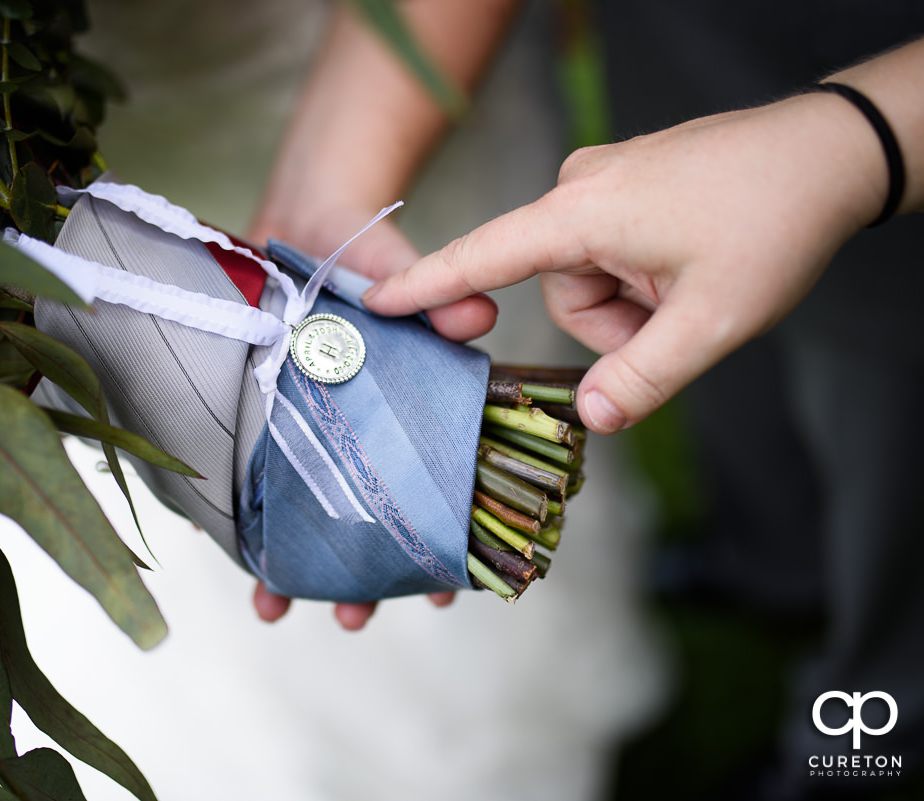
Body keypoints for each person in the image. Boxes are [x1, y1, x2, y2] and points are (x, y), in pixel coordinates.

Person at [247, 2, 924, 797]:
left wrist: (860, 139)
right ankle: (768, 560)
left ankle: (869, 746)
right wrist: (326, 192)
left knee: (888, 409)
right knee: (727, 376)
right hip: (676, 33)